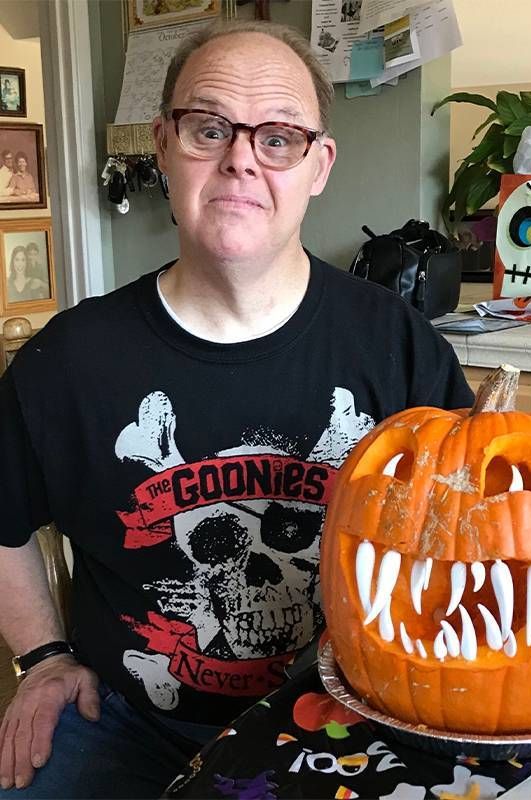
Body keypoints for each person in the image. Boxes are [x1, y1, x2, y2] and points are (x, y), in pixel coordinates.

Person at [0, 19, 473, 799]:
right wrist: (43, 657)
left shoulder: (397, 343)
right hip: (128, 717)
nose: (242, 158)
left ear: (320, 165)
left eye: (279, 136)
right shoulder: (68, 359)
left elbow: (468, 533)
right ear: (162, 144)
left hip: (356, 712)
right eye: (209, 127)